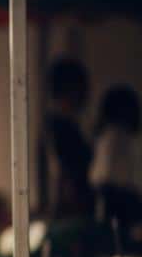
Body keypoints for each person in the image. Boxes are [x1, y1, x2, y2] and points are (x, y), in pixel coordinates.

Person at [39, 58, 94, 218]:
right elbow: (64, 171)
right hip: (69, 210)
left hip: (67, 207)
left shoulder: (66, 125)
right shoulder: (60, 128)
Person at [89, 84, 142, 238]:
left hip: (117, 201)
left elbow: (97, 177)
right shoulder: (115, 138)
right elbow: (102, 177)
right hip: (118, 202)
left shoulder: (112, 137)